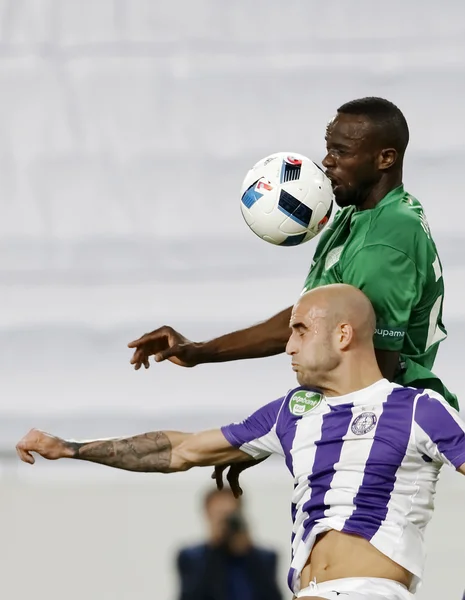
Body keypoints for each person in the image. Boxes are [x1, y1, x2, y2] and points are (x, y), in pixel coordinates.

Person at [16, 284, 465, 600]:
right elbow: (183, 450)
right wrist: (72, 448)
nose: (288, 346)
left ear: (343, 334)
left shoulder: (416, 408)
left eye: (300, 330)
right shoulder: (294, 410)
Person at [127, 97, 456, 407]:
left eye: (341, 151)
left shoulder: (384, 239)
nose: (327, 161)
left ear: (385, 158)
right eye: (329, 149)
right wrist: (199, 351)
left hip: (384, 430)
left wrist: (284, 430)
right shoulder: (362, 215)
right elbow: (311, 320)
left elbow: (373, 378)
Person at [176, 488, 282, 600]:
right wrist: (215, 547)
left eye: (229, 514)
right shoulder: (191, 558)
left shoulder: (265, 558)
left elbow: (272, 595)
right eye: (219, 514)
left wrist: (248, 551)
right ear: (207, 514)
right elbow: (191, 595)